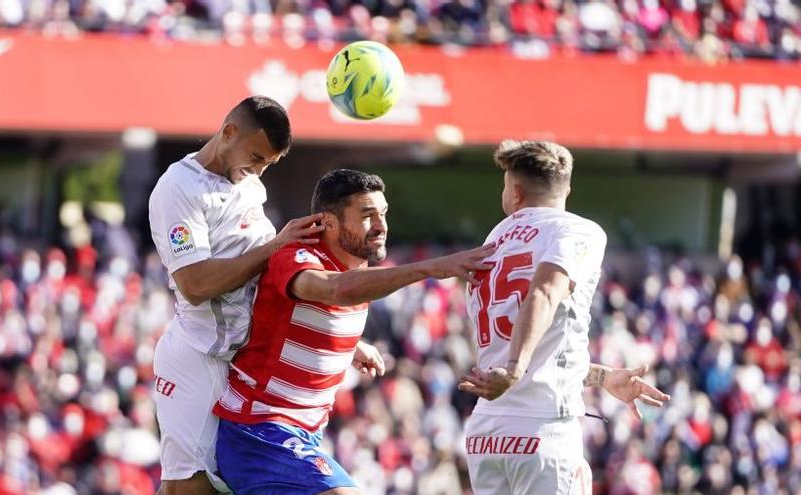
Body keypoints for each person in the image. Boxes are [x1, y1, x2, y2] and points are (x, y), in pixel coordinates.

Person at [213, 169, 496, 495]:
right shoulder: (296, 256)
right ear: (329, 223)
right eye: (367, 215)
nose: (381, 226)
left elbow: (295, 315)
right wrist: (430, 267)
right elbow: (332, 290)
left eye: (383, 214)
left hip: (303, 433)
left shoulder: (354, 266)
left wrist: (351, 346)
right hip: (259, 431)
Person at [457, 140, 671, 495]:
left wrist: (603, 377)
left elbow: (536, 344)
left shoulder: (496, 238)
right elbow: (544, 292)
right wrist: (513, 369)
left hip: (488, 431)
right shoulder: (577, 230)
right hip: (543, 428)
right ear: (567, 189)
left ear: (515, 191)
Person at [148, 96, 324, 495]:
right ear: (229, 132)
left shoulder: (249, 187)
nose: (259, 170)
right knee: (188, 486)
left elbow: (268, 279)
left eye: (267, 164)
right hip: (198, 357)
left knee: (228, 483)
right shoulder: (179, 188)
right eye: (256, 156)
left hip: (244, 360)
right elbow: (195, 285)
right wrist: (275, 246)